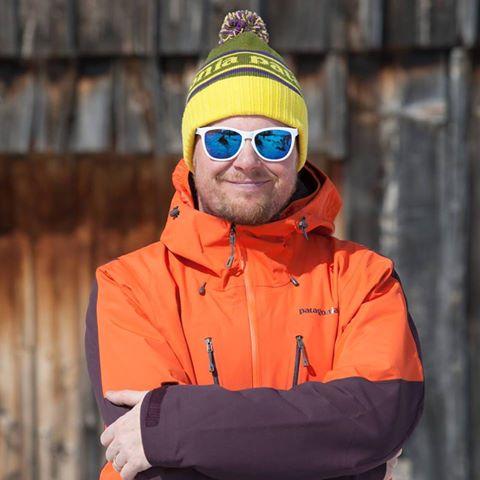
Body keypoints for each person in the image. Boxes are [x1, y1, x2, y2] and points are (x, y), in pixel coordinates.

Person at [84, 10, 424, 480]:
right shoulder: (129, 286)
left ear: (297, 153)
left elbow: (374, 418)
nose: (247, 160)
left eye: (272, 141)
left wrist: (175, 423)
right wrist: (341, 460)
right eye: (223, 140)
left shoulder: (365, 279)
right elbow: (157, 473)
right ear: (193, 152)